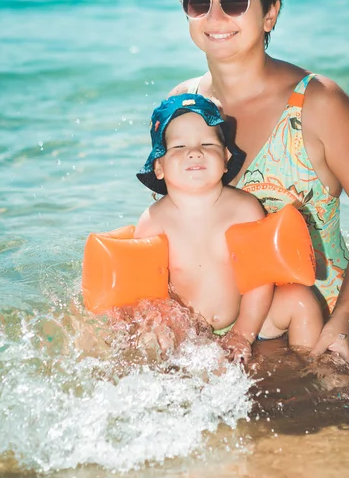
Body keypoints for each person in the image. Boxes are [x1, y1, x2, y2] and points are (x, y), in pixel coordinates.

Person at [169, 0, 349, 363]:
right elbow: (174, 223)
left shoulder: (320, 104)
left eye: (234, 1)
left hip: (311, 333)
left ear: (270, 13)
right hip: (223, 337)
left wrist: (342, 319)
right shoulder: (182, 107)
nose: (215, 16)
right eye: (199, 2)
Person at [134, 93, 324, 363]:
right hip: (186, 332)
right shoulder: (154, 221)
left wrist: (242, 333)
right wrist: (164, 326)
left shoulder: (243, 210)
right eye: (178, 147)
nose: (194, 152)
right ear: (159, 166)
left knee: (301, 300)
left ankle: (313, 367)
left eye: (207, 143)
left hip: (247, 317)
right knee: (148, 330)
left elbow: (260, 280)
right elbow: (146, 292)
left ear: (225, 158)